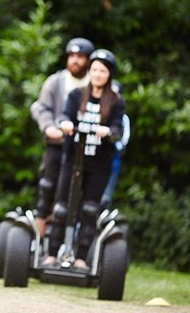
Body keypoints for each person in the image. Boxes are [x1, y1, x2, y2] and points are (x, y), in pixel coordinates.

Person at [43, 49, 125, 270]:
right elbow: (64, 117)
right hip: (72, 159)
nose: (98, 75)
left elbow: (118, 128)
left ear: (110, 75)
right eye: (95, 70)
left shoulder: (116, 101)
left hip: (99, 164)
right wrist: (64, 124)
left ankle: (80, 258)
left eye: (103, 71)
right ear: (90, 72)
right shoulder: (77, 95)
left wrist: (107, 132)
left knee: (89, 209)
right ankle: (51, 254)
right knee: (61, 207)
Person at [30, 38, 95, 237]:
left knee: (79, 194)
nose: (75, 60)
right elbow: (41, 107)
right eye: (72, 56)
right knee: (48, 187)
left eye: (80, 57)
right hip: (58, 145)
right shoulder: (56, 81)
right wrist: (49, 127)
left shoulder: (95, 83)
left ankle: (71, 239)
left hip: (86, 148)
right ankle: (39, 233)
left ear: (88, 61)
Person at [100, 80, 131, 210]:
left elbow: (124, 138)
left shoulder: (123, 117)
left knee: (106, 195)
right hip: (96, 155)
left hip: (113, 156)